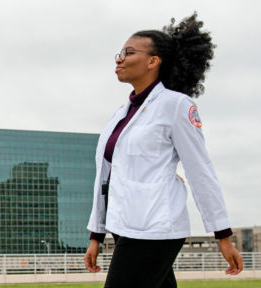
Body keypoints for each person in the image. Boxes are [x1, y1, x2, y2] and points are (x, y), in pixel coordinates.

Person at [83, 13, 243, 288]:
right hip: (123, 226)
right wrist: (96, 235)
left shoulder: (177, 106)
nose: (119, 58)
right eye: (119, 53)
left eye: (128, 52)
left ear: (153, 61)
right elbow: (105, 177)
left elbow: (199, 170)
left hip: (155, 227)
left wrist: (223, 234)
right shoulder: (119, 116)